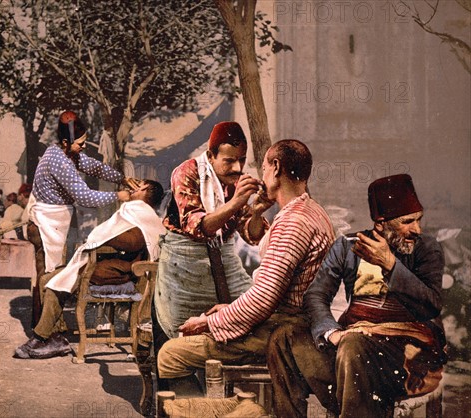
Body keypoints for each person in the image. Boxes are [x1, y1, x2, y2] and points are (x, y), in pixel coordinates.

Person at [156, 139, 335, 395]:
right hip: (288, 321)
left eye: (262, 168)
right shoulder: (312, 211)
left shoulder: (293, 222)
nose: (257, 174)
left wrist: (210, 322)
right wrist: (255, 212)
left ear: (275, 168)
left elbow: (264, 298)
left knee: (171, 354)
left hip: (283, 328)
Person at [266, 174, 447, 418]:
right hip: (351, 346)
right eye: (407, 222)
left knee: (354, 346)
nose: (417, 229)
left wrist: (391, 265)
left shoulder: (426, 248)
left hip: (405, 356)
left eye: (418, 220)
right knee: (284, 338)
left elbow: (432, 305)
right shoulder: (347, 246)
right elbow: (316, 295)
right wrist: (331, 332)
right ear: (381, 223)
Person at [153, 121, 269, 356]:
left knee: (252, 316)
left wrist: (256, 212)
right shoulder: (186, 172)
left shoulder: (236, 181)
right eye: (228, 160)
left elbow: (251, 235)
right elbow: (198, 225)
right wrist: (236, 202)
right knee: (182, 332)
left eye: (241, 159)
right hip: (184, 262)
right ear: (210, 155)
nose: (237, 167)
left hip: (224, 258)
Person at [14, 179, 165, 359]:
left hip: (118, 272)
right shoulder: (133, 210)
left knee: (55, 285)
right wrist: (101, 238)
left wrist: (103, 238)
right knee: (47, 279)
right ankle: (56, 337)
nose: (131, 189)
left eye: (138, 187)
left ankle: (40, 337)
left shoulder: (142, 212)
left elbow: (134, 242)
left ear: (146, 190)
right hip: (106, 266)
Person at [27, 110, 139, 327]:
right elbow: (85, 196)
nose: (84, 146)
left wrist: (122, 179)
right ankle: (46, 332)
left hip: (52, 222)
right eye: (80, 143)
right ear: (66, 142)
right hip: (45, 224)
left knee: (51, 274)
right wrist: (119, 195)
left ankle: (46, 327)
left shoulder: (65, 152)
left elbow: (94, 166)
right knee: (48, 277)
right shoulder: (60, 161)